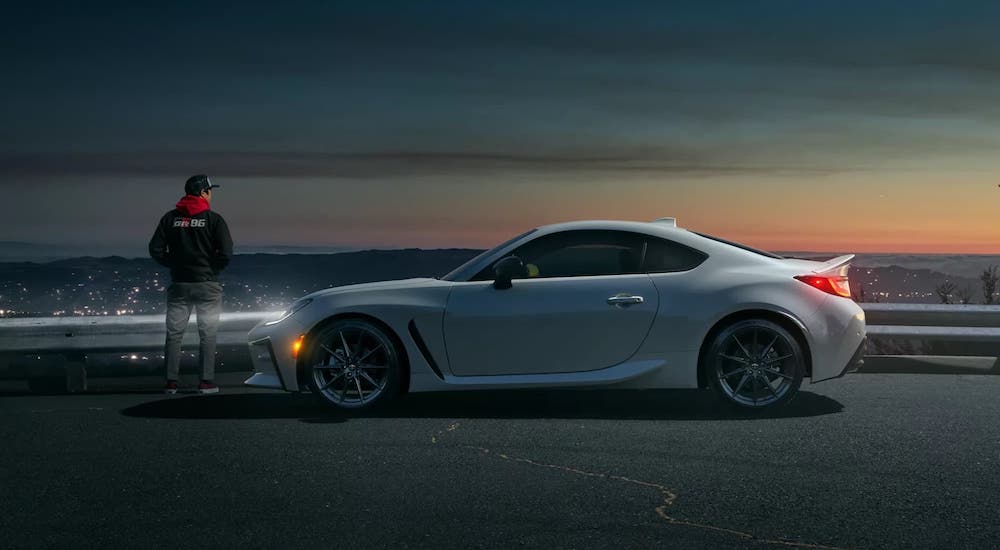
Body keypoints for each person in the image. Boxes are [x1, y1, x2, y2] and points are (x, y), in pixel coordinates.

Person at [148, 175, 233, 394]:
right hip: (207, 286)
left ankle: (171, 382)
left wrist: (174, 264)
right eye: (210, 190)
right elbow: (226, 253)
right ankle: (205, 382)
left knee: (174, 334)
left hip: (179, 285)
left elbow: (155, 249)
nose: (211, 194)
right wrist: (211, 270)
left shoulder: (170, 219)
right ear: (203, 192)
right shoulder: (214, 220)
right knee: (208, 334)